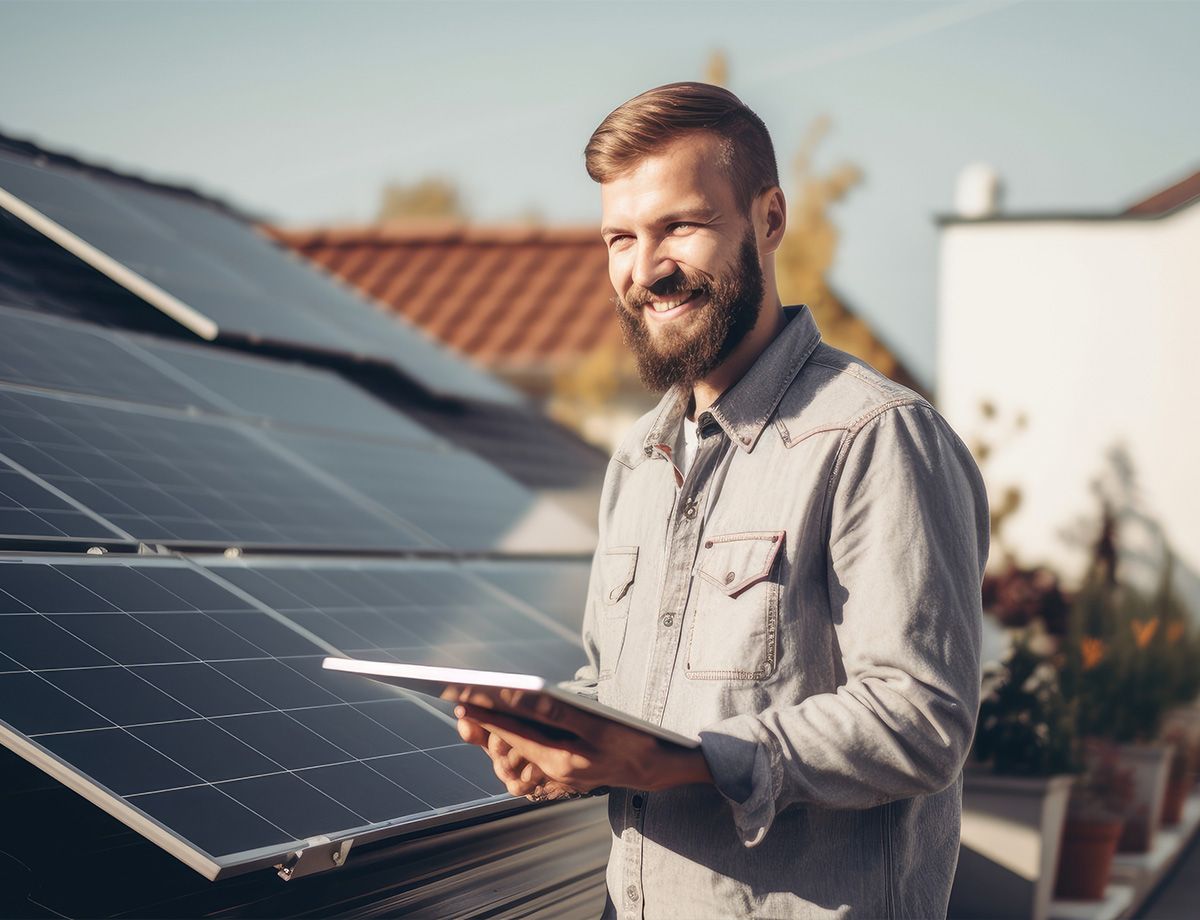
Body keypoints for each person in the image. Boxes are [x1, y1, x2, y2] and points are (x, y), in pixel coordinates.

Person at [455, 82, 989, 919]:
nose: (645, 268)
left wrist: (695, 761)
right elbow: (622, 687)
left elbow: (922, 719)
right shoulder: (636, 461)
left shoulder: (876, 436)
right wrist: (561, 740)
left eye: (680, 226)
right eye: (620, 237)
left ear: (769, 219)